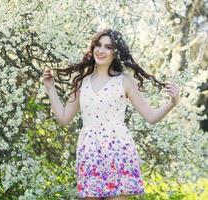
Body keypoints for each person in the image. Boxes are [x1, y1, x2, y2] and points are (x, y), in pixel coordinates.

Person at [41, 28, 180, 200]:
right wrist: (50, 89)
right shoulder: (81, 80)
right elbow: (63, 118)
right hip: (90, 152)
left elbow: (151, 117)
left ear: (115, 52)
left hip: (118, 151)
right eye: (98, 45)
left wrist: (172, 103)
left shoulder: (125, 80)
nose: (101, 50)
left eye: (108, 47)